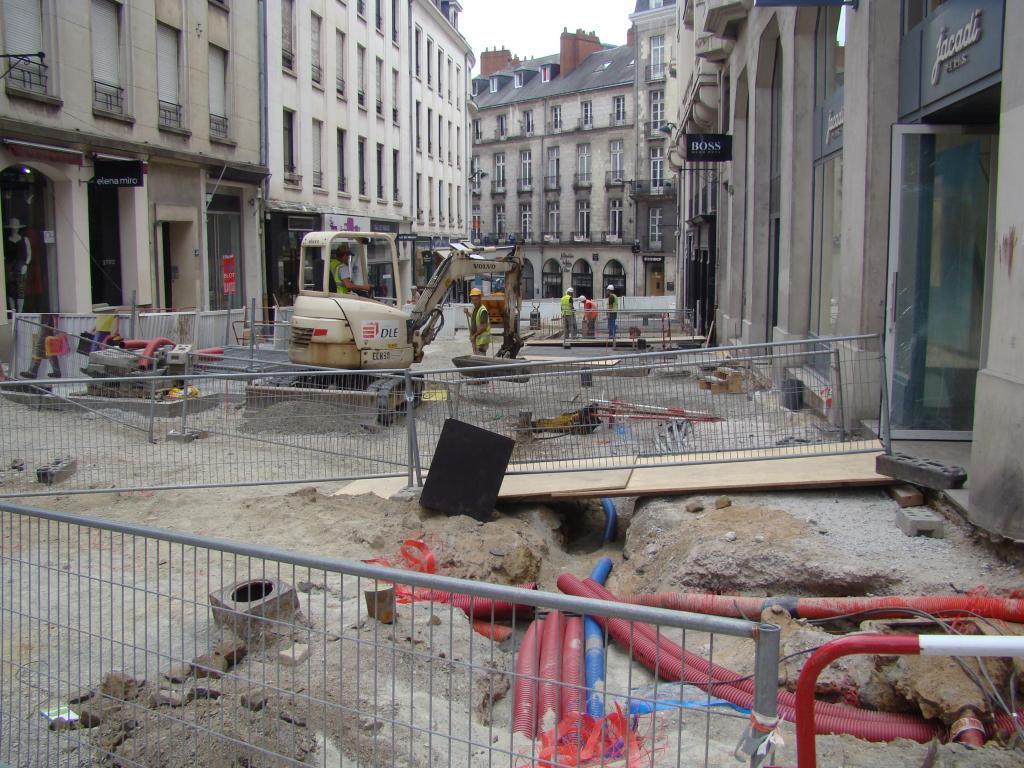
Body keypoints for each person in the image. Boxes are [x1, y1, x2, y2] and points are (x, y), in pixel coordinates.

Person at [20, 313, 63, 379]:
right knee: (48, 348)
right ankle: (56, 371)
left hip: (46, 323)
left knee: (39, 346)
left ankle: (32, 372)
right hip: (47, 322)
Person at [4, 217, 31, 312]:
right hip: (10, 266)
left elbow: (29, 253)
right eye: (13, 227)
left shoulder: (24, 239)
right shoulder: (7, 240)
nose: (14, 229)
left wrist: (26, 265)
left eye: (16, 227)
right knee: (11, 289)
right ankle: (12, 311)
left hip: (21, 266)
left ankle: (19, 311)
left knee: (20, 289)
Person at [464, 286, 491, 355]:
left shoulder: (483, 310)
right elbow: (474, 318)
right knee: (477, 357)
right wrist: (468, 313)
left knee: (481, 359)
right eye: (473, 300)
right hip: (476, 340)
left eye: (476, 300)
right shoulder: (476, 308)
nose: (474, 302)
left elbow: (483, 326)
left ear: (480, 298)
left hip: (481, 341)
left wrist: (474, 336)